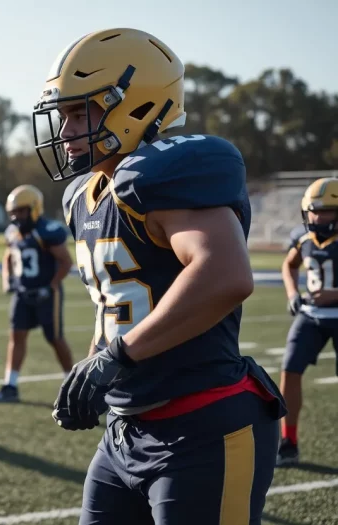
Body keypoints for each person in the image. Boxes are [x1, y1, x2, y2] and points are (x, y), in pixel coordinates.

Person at [34, 28, 287, 524]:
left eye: (80, 112)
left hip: (204, 425)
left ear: (136, 104)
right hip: (125, 432)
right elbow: (115, 302)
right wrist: (93, 371)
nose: (65, 131)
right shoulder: (84, 196)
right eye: (63, 115)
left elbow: (226, 274)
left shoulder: (164, 172)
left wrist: (118, 356)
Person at [0, 184, 74, 403]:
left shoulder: (47, 231)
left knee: (54, 338)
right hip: (22, 293)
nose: (17, 216)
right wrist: (7, 280)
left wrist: (51, 285)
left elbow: (66, 262)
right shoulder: (12, 232)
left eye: (21, 210)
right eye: (13, 212)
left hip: (46, 293)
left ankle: (74, 385)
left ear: (34, 208)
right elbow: (8, 256)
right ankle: (10, 385)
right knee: (16, 336)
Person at [278, 178, 338, 465]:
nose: (316, 217)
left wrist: (334, 294)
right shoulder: (303, 237)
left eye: (324, 210)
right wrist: (292, 293)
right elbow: (289, 264)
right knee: (289, 370)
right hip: (311, 315)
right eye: (312, 210)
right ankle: (288, 440)